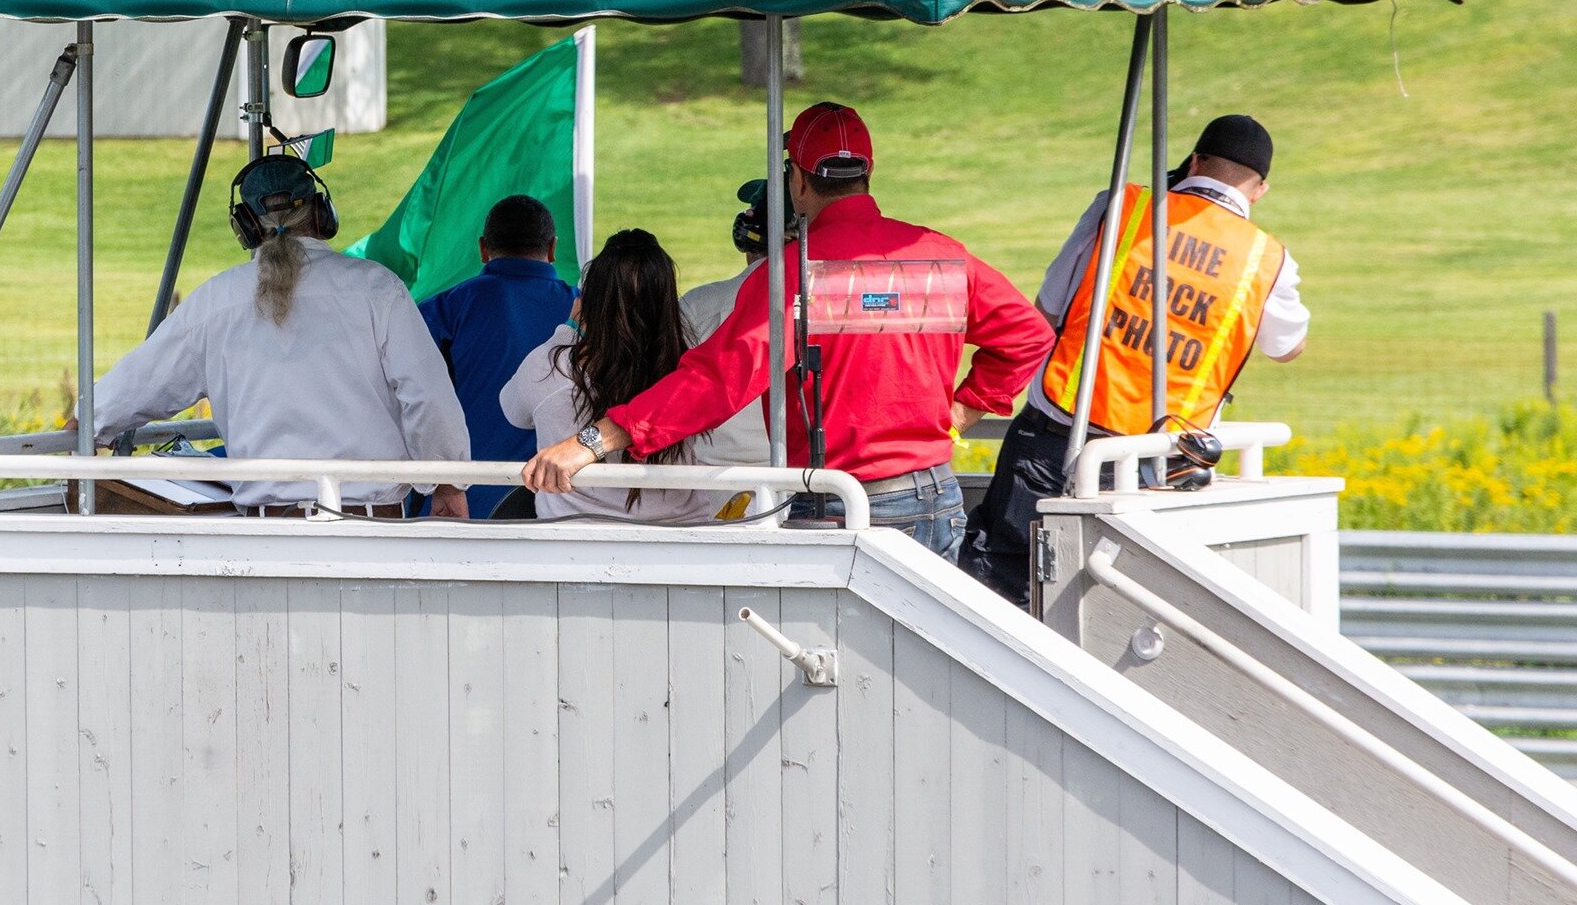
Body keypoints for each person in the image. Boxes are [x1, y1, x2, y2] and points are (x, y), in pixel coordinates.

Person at [523, 102, 1054, 557]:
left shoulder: (795, 273)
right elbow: (1028, 335)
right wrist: (963, 408)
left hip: (843, 502)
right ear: (868, 174)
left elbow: (719, 379)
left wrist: (595, 439)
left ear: (797, 181)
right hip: (936, 494)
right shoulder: (939, 256)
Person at [961, 114, 1309, 606]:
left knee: (997, 588)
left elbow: (1050, 306)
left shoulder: (1122, 206)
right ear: (1259, 190)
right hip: (1156, 465)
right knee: (1112, 610)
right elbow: (1287, 346)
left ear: (1193, 162)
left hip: (1054, 437)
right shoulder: (1267, 259)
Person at [87, 153, 472, 517]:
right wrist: (447, 485)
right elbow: (427, 397)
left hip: (265, 534)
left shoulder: (215, 301)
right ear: (321, 213)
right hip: (370, 527)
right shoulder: (378, 290)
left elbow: (140, 381)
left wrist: (86, 422)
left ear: (246, 225)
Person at [500, 229, 718, 524]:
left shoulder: (551, 365)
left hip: (575, 541)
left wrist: (567, 330)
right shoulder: (688, 370)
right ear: (666, 303)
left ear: (591, 300)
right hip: (682, 534)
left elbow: (513, 411)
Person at [418, 195, 577, 517]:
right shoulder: (587, 310)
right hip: (567, 499)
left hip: (461, 498)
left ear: (483, 248)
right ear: (552, 248)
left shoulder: (443, 310)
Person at [678, 178, 773, 470]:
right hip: (813, 480)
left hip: (713, 483)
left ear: (747, 235)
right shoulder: (839, 305)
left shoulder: (697, 305)